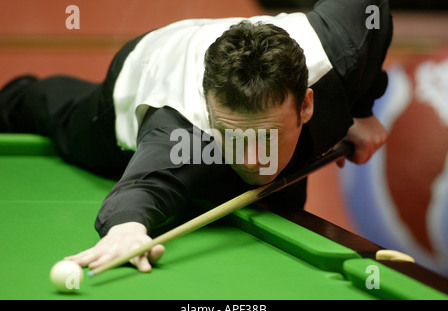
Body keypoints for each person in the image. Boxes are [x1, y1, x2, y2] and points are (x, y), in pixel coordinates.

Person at [0, 0, 392, 272]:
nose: (255, 158)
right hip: (144, 67)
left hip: (231, 54)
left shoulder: (342, 50)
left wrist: (363, 109)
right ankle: (14, 98)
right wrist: (127, 229)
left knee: (275, 198)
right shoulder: (180, 131)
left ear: (306, 105)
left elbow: (373, 13)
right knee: (59, 115)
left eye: (268, 137)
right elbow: (142, 189)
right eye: (235, 137)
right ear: (209, 112)